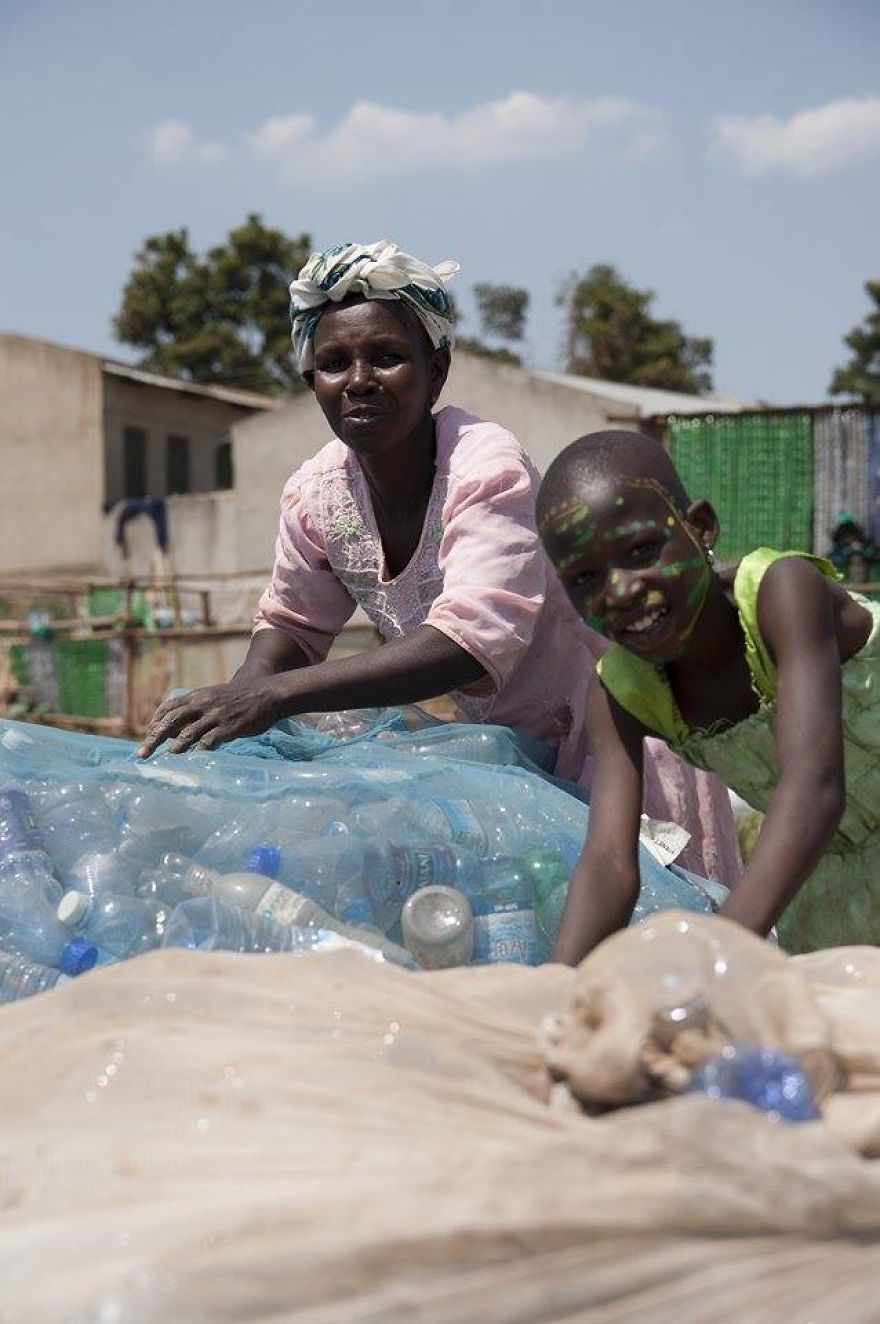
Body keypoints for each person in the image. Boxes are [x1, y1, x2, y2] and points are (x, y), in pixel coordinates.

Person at [137, 241, 738, 886]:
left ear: (437, 369)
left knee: (658, 921)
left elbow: (469, 643)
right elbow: (290, 630)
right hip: (504, 759)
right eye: (334, 363)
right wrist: (233, 716)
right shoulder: (317, 495)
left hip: (612, 731)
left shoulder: (485, 469)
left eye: (388, 357)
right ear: (311, 382)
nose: (360, 380)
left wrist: (272, 696)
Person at [537, 429, 880, 961]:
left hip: (816, 822)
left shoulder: (783, 594)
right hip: (837, 881)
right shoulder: (620, 693)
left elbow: (814, 783)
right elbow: (608, 861)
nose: (620, 590)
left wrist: (718, 954)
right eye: (584, 578)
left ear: (699, 527)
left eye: (641, 550)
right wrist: (556, 986)